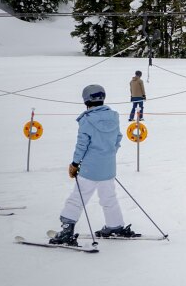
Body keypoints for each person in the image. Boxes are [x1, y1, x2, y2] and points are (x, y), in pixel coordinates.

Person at [49, 84, 138, 245]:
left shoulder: (87, 119)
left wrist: (75, 164)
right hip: (108, 167)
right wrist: (107, 156)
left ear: (86, 100)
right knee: (109, 197)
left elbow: (82, 145)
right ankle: (115, 226)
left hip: (90, 169)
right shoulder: (114, 116)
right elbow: (117, 139)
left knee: (77, 198)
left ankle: (67, 230)